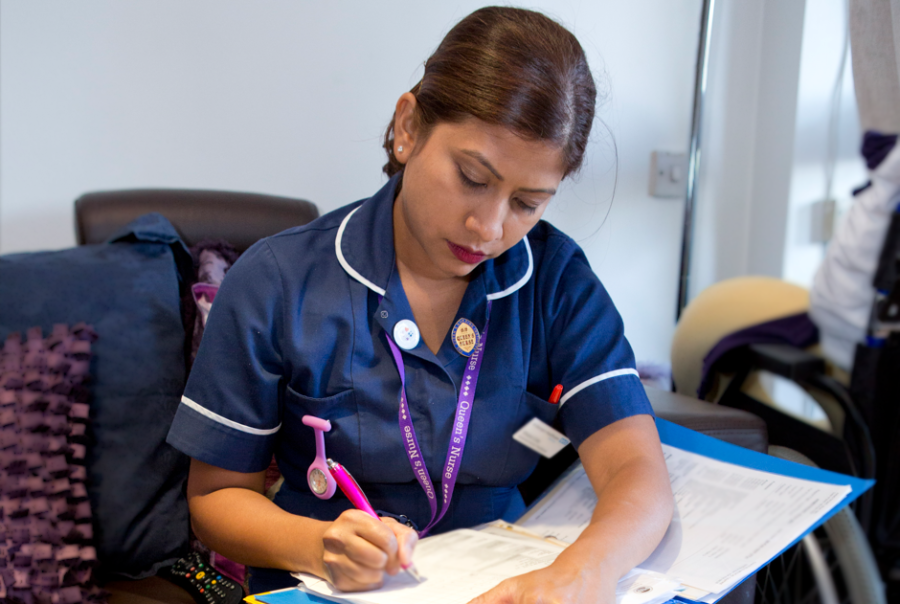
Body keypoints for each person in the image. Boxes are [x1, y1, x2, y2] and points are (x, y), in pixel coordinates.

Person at [166, 6, 673, 602]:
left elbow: (636, 471)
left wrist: (583, 571)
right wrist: (318, 547)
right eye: (472, 177)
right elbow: (215, 498)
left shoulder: (556, 280)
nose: (487, 227)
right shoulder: (279, 281)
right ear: (407, 127)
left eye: (528, 202)